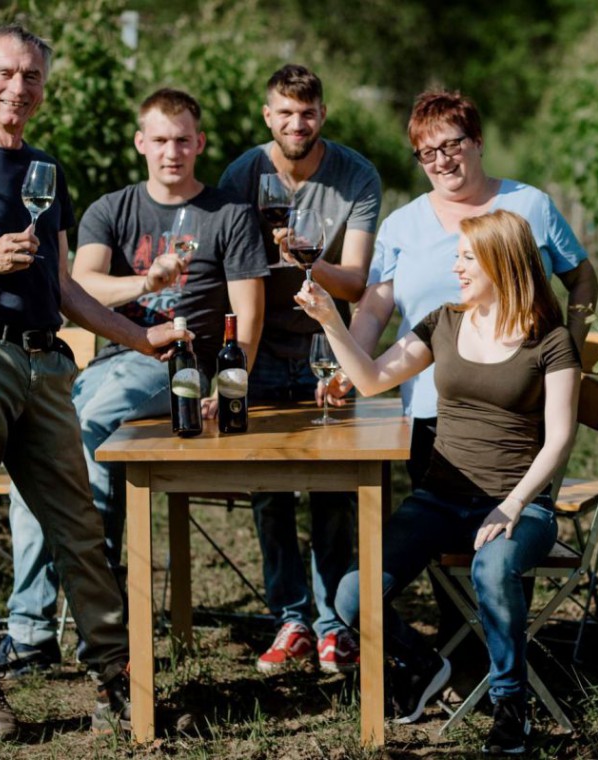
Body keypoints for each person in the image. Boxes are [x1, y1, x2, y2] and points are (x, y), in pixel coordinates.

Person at [0, 25, 189, 742]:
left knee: (80, 529)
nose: (20, 88)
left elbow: (65, 288)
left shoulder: (46, 165)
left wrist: (141, 338)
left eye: (32, 77)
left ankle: (117, 681)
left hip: (47, 366)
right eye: (7, 74)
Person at [0, 88, 268, 675]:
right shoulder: (111, 209)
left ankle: (80, 622)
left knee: (81, 435)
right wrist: (146, 282)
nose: (172, 151)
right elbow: (79, 287)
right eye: (160, 140)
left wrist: (229, 384)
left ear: (199, 144)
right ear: (141, 143)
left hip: (176, 363)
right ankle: (40, 627)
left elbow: (249, 313)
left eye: (183, 140)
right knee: (35, 450)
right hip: (109, 357)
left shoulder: (229, 214)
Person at [295, 210, 581, 755]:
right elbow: (373, 379)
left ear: (504, 262)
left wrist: (515, 505)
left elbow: (560, 438)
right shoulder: (444, 322)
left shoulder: (551, 340)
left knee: (494, 567)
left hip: (521, 505)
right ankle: (427, 665)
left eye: (468, 257)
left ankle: (510, 707)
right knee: (352, 593)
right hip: (441, 498)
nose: (456, 267)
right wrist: (331, 320)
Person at [329, 89, 597, 488]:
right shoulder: (402, 225)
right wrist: (348, 370)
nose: (441, 160)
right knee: (442, 532)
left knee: (506, 524)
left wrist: (569, 352)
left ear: (478, 141)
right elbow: (372, 309)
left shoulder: (530, 206)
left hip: (518, 406)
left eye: (452, 144)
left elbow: (582, 279)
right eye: (427, 152)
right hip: (429, 409)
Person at [219, 64, 382, 674]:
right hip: (261, 353)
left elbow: (357, 279)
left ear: (322, 116)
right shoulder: (242, 175)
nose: (297, 124)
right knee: (269, 491)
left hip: (326, 353)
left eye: (307, 113)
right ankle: (292, 621)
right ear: (268, 117)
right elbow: (229, 269)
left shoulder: (356, 175)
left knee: (336, 490)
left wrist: (303, 260)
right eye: (284, 113)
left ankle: (335, 624)